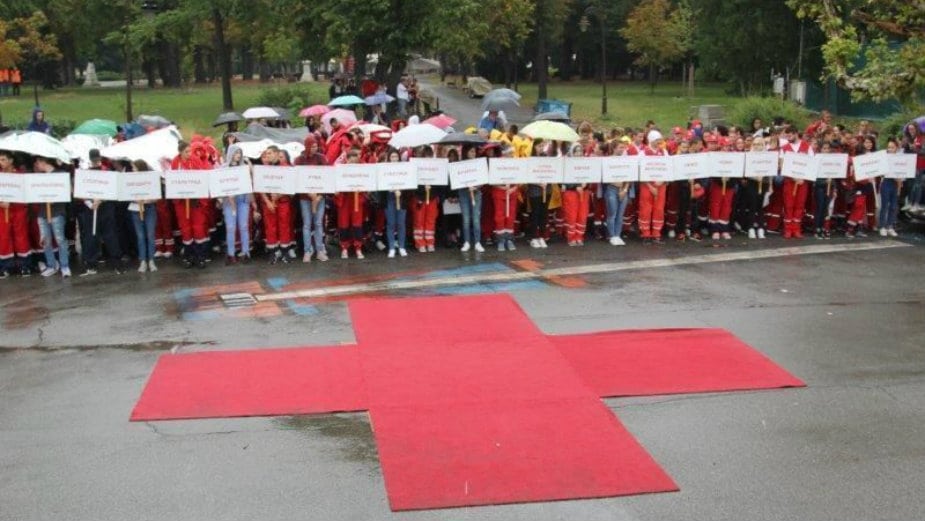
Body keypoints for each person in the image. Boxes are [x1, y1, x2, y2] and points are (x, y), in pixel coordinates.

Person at [75, 149, 125, 276]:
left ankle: (117, 263)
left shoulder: (107, 171)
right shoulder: (85, 174)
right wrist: (90, 203)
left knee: (110, 235)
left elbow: (112, 189)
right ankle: (91, 264)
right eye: (94, 159)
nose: (96, 161)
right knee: (91, 236)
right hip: (91, 209)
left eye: (97, 159)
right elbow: (81, 191)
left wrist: (101, 199)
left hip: (106, 207)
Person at [170, 141, 211, 268]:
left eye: (190, 151)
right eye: (186, 152)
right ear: (180, 152)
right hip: (182, 202)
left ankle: (200, 257)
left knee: (198, 228)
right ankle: (189, 256)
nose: (189, 154)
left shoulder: (196, 161)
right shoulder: (175, 163)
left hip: (195, 201)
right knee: (186, 230)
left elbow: (203, 178)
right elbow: (174, 181)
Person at [33, 156, 71, 277]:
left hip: (57, 212)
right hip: (42, 213)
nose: (36, 165)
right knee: (45, 240)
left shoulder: (61, 174)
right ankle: (51, 265)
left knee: (60, 240)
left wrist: (57, 197)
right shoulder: (39, 177)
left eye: (37, 162)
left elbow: (69, 191)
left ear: (43, 161)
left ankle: (64, 265)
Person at [293, 136, 329, 262]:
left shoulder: (321, 159)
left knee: (318, 223)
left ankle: (319, 250)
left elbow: (326, 178)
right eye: (312, 146)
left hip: (319, 197)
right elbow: (297, 179)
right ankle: (307, 251)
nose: (315, 148)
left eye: (316, 146)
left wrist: (319, 195)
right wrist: (309, 193)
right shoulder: (299, 160)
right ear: (307, 146)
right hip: (305, 198)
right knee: (307, 224)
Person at [257, 146, 295, 263]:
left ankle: (284, 252)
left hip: (283, 202)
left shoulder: (286, 168)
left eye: (269, 153)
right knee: (270, 228)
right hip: (268, 204)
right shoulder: (263, 169)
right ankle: (272, 253)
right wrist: (268, 202)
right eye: (266, 154)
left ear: (277, 154)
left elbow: (291, 187)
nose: (267, 156)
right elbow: (260, 188)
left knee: (284, 226)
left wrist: (279, 195)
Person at [0, 150, 31, 278]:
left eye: (3, 159)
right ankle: (6, 267)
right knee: (3, 238)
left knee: (21, 237)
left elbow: (26, 193)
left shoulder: (20, 176)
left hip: (18, 209)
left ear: (11, 160)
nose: (0, 162)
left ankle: (25, 266)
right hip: (2, 210)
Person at [221, 146, 254, 264]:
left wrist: (250, 167)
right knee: (230, 227)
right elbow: (219, 184)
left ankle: (246, 252)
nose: (238, 155)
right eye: (236, 153)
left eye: (240, 153)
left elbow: (250, 181)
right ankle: (230, 254)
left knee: (244, 226)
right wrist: (225, 194)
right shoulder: (223, 168)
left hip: (242, 199)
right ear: (231, 154)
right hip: (229, 201)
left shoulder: (243, 168)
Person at [334, 147, 366, 259]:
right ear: (346, 160)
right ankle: (344, 248)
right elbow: (335, 185)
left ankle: (358, 247)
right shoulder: (339, 169)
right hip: (344, 199)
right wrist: (336, 191)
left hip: (357, 198)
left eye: (355, 162)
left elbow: (367, 183)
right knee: (343, 224)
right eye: (351, 161)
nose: (353, 164)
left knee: (357, 224)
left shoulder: (362, 169)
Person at [638, 130, 669, 244]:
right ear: (651, 140)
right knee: (646, 209)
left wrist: (661, 182)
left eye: (659, 140)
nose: (658, 142)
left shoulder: (664, 152)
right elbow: (640, 171)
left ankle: (657, 233)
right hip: (647, 185)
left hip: (661, 185)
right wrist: (650, 186)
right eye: (656, 140)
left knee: (659, 209)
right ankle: (645, 234)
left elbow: (668, 168)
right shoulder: (643, 153)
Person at [129, 160, 159, 272]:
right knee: (140, 236)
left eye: (134, 168)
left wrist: (147, 200)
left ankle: (151, 260)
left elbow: (156, 196)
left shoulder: (150, 179)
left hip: (149, 208)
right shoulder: (130, 180)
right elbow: (127, 195)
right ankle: (142, 261)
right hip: (135, 209)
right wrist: (135, 199)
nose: (132, 170)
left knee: (150, 235)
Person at [604, 140, 634, 246]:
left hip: (623, 190)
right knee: (612, 213)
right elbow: (605, 177)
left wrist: (625, 189)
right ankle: (612, 236)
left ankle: (618, 235)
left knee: (620, 215)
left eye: (623, 147)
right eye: (620, 147)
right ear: (614, 148)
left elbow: (629, 176)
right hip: (612, 189)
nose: (622, 149)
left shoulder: (626, 160)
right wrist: (617, 185)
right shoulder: (608, 160)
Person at [412, 146, 440, 253]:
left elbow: (439, 183)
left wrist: (433, 190)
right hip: (420, 198)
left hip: (432, 197)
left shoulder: (436, 167)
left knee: (430, 220)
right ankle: (420, 243)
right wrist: (423, 189)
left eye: (430, 155)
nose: (428, 157)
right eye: (426, 155)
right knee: (419, 221)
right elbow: (414, 183)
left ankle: (430, 242)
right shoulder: (417, 167)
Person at [382, 149, 410, 257]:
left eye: (396, 157)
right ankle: (392, 248)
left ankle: (402, 247)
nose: (394, 159)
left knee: (401, 223)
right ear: (389, 158)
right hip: (389, 198)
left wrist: (401, 190)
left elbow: (408, 182)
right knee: (390, 224)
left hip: (401, 199)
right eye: (392, 157)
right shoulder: (384, 169)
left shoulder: (404, 169)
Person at [457, 145, 485, 252]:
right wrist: (465, 185)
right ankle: (467, 242)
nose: (473, 154)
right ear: (466, 152)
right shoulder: (460, 165)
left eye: (474, 151)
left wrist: (476, 186)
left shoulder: (479, 164)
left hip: (476, 193)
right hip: (464, 193)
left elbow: (483, 179)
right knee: (466, 219)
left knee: (476, 218)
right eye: (471, 151)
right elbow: (457, 179)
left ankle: (477, 242)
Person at [878, 138, 901, 237]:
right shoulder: (884, 158)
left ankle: (890, 226)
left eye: (892, 147)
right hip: (886, 183)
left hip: (896, 184)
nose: (890, 149)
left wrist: (899, 184)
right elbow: (881, 172)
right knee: (884, 206)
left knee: (893, 206)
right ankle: (882, 227)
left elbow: (903, 172)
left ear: (897, 148)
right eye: (889, 147)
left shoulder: (901, 159)